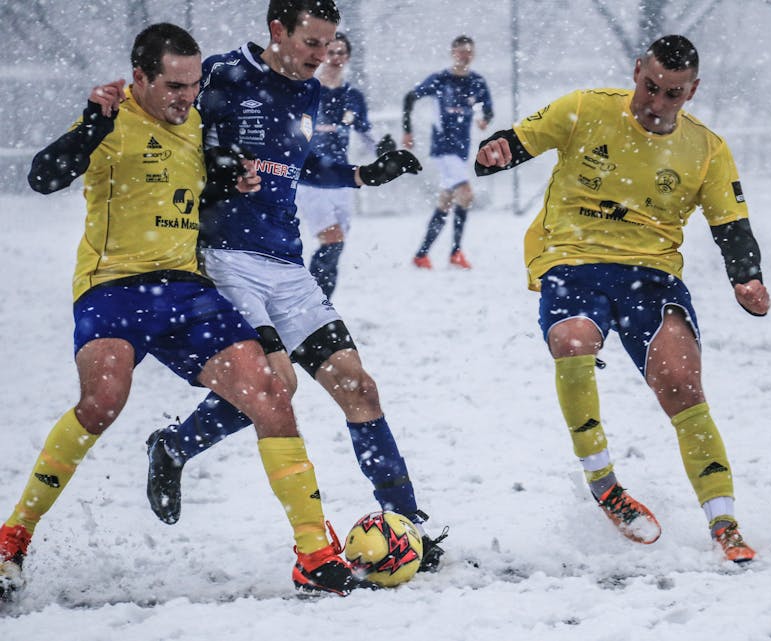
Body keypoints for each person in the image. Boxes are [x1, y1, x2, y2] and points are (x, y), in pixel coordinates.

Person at [0, 23, 357, 602]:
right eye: (172, 86)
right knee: (103, 401)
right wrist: (92, 123)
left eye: (193, 86)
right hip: (113, 288)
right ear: (138, 77)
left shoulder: (194, 121)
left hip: (186, 290)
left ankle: (314, 553)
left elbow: (212, 169)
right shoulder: (109, 120)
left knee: (269, 390)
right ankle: (12, 537)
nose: (185, 98)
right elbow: (43, 177)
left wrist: (234, 173)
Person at [143, 0, 447, 572]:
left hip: (288, 265)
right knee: (277, 385)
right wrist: (220, 161)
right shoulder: (221, 73)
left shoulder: (309, 92)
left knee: (359, 388)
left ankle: (411, 527)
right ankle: (178, 449)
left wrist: (362, 174)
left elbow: (298, 165)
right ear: (277, 30)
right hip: (225, 258)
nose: (323, 55)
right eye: (312, 42)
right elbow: (168, 131)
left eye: (331, 43)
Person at [473, 35, 771, 563]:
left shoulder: (706, 148)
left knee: (682, 386)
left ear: (692, 91)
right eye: (650, 87)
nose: (656, 104)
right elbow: (517, 141)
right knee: (572, 341)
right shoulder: (585, 109)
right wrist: (495, 151)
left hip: (652, 275)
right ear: (636, 71)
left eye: (672, 95)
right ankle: (604, 484)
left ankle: (724, 523)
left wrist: (746, 276)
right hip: (573, 258)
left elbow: (733, 226)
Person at [295, 32, 395, 299]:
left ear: (348, 57)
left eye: (341, 53)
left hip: (342, 177)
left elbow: (365, 132)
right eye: (331, 51)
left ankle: (321, 306)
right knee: (332, 238)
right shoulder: (307, 90)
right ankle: (311, 303)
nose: (336, 58)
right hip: (311, 178)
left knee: (337, 246)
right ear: (322, 54)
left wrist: (383, 150)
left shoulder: (353, 96)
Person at [403, 35, 493, 270]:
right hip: (443, 148)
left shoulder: (476, 82)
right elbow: (410, 98)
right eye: (461, 51)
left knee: (446, 202)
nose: (465, 55)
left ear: (474, 54)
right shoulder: (440, 79)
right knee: (466, 194)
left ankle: (421, 255)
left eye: (469, 52)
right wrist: (407, 131)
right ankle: (455, 252)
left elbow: (488, 109)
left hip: (461, 151)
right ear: (453, 52)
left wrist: (485, 119)